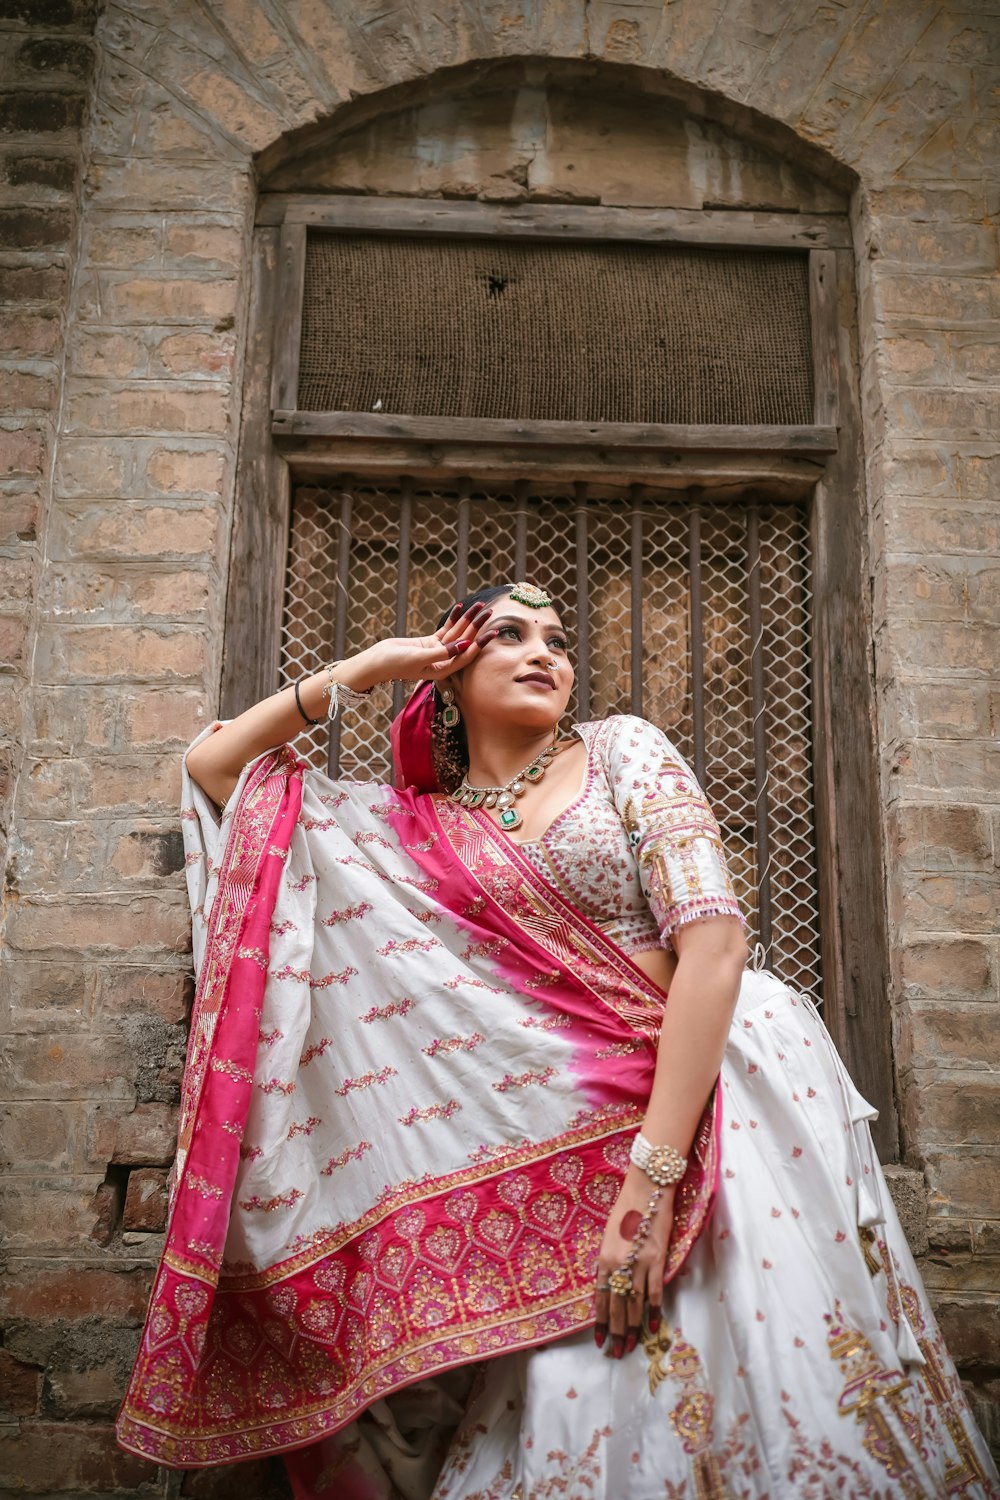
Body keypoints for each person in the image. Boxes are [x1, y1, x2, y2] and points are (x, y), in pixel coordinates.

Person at [116, 583, 999, 1499]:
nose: (546, 652)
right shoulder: (421, 828)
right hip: (554, 1152)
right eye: (509, 635)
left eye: (558, 639)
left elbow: (717, 946)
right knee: (577, 1401)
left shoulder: (621, 750)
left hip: (714, 1104)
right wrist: (371, 667)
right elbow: (218, 770)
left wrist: (649, 1189)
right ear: (449, 674)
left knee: (762, 1371)